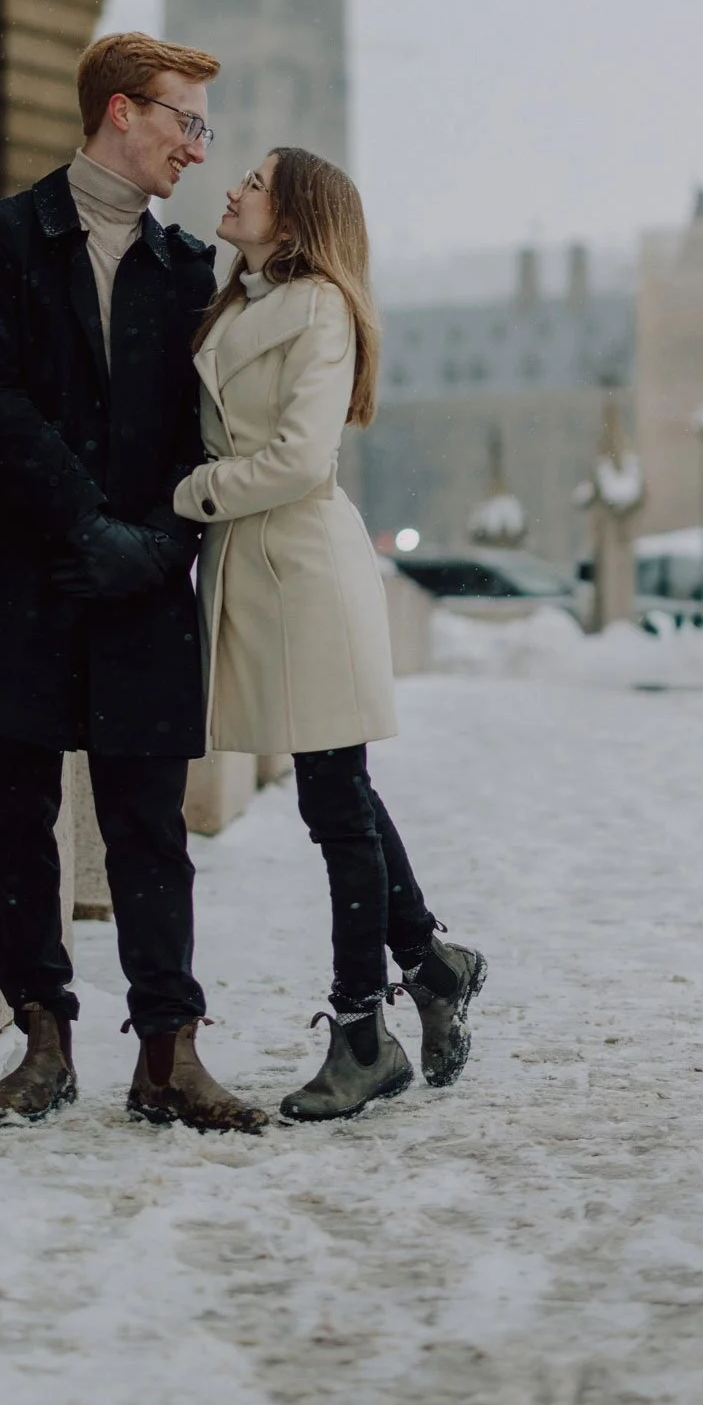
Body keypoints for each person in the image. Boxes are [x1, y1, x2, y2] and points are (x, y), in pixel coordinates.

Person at [0, 32, 268, 1133]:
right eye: (185, 119)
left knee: (147, 825)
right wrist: (86, 519)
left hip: (136, 582)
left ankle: (168, 1052)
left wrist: (154, 543)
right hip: (20, 577)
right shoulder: (0, 238)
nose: (196, 145)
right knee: (21, 816)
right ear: (121, 112)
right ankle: (42, 1040)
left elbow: (207, 436)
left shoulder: (187, 274)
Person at [172, 149, 487, 1122]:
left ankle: (363, 1030)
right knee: (337, 792)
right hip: (260, 573)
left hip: (302, 570)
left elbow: (300, 458)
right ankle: (430, 965)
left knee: (335, 802)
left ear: (298, 219)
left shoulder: (318, 311)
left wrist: (193, 492)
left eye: (257, 182)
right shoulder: (236, 302)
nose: (232, 187)